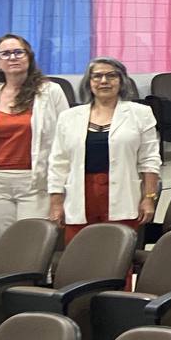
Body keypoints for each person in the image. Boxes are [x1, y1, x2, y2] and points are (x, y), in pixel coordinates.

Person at [0, 34, 68, 242]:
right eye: (6, 53)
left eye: (18, 52)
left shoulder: (51, 92)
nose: (13, 57)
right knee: (1, 246)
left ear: (29, 57)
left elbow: (65, 142)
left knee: (33, 245)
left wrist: (60, 189)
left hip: (36, 183)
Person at [47, 57, 159, 246]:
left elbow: (150, 160)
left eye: (111, 76)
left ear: (121, 81)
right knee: (79, 252)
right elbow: (59, 163)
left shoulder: (141, 113)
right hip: (80, 195)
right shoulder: (68, 117)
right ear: (89, 82)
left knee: (118, 252)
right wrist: (56, 202)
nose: (104, 81)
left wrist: (149, 198)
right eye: (97, 76)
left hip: (123, 195)